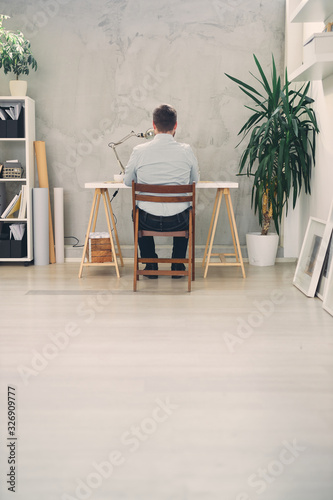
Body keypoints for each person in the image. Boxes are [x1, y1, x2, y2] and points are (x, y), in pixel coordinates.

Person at [124, 104, 200, 278]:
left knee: (136, 212)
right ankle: (177, 266)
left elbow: (128, 182)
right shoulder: (186, 151)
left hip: (147, 220)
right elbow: (195, 181)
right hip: (179, 220)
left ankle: (150, 265)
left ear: (153, 125)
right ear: (175, 126)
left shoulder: (139, 151)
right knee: (187, 211)